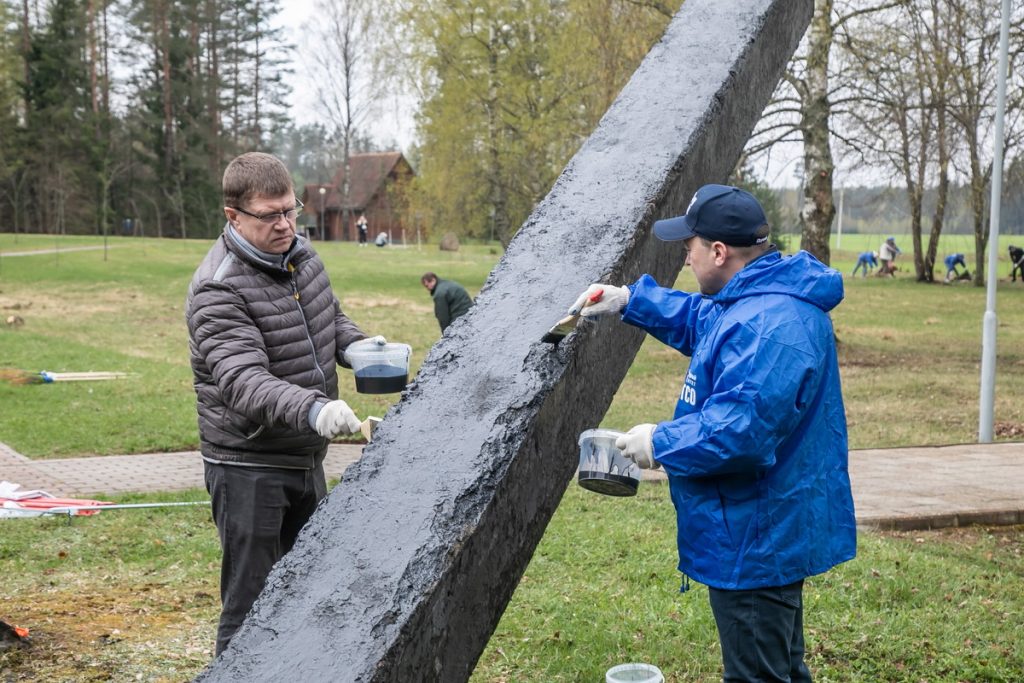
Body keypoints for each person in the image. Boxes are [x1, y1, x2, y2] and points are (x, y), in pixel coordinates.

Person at [568, 184, 856, 682]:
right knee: (781, 665)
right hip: (764, 524)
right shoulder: (754, 298)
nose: (685, 256)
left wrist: (659, 443)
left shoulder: (772, 325)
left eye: (690, 245)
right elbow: (703, 321)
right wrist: (628, 300)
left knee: (756, 675)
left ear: (719, 252)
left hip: (757, 534)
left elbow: (742, 430)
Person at [185, 152, 387, 656]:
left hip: (303, 456)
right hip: (248, 465)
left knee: (306, 592)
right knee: (249, 609)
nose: (285, 224)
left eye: (290, 210)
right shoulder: (218, 287)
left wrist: (358, 347)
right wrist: (315, 410)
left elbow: (326, 318)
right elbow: (243, 382)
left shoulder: (300, 253)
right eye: (269, 215)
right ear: (233, 216)